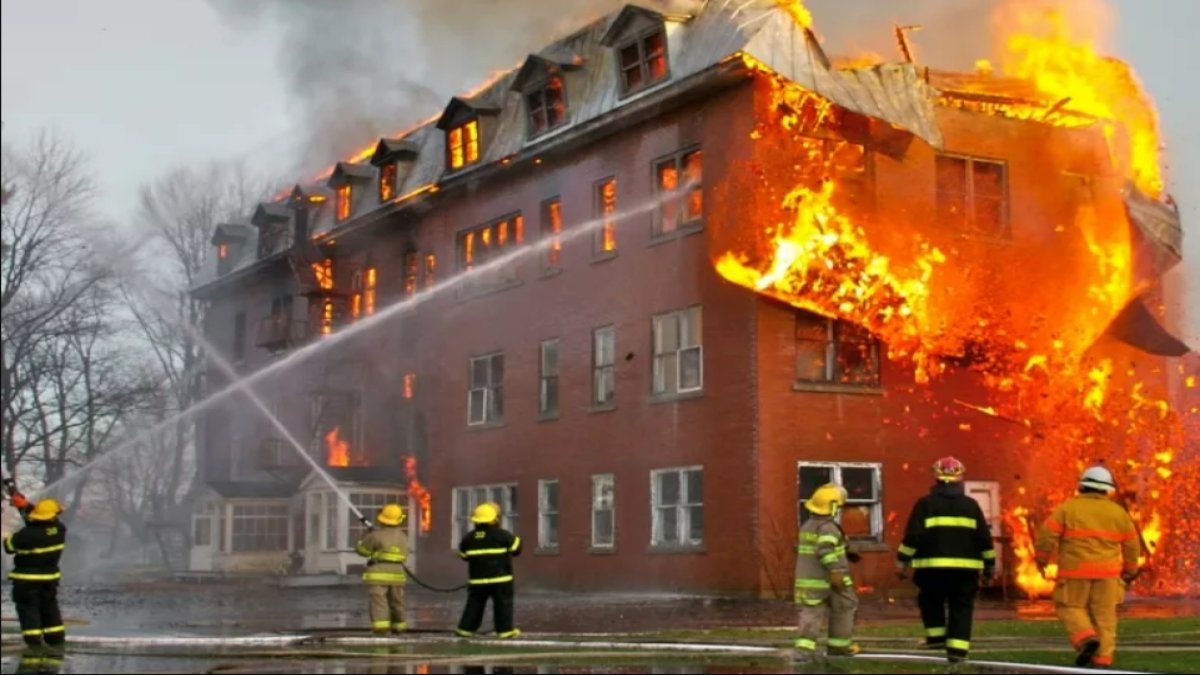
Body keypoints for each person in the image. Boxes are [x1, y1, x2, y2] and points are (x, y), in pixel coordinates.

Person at [1035, 465, 1140, 668]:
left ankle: (1085, 639)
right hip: (1108, 576)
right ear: (1107, 489)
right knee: (1105, 617)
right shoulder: (1118, 513)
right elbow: (1132, 545)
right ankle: (1102, 660)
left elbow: (1046, 536)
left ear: (1082, 486)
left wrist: (1041, 559)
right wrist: (1130, 570)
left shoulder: (1068, 509)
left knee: (1069, 606)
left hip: (1074, 573)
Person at [896, 457, 995, 665]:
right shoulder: (971, 505)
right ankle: (958, 652)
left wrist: (902, 561)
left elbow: (913, 536)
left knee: (931, 601)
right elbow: (984, 539)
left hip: (931, 568)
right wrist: (989, 567)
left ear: (936, 476)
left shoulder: (925, 504)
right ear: (960, 477)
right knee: (962, 607)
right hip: (965, 570)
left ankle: (936, 638)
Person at [794, 483, 860, 660]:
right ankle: (838, 647)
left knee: (811, 613)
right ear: (833, 506)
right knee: (844, 607)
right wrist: (836, 570)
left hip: (810, 581)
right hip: (832, 579)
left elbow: (827, 543)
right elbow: (825, 549)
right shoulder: (828, 527)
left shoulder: (808, 525)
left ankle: (804, 650)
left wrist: (847, 549)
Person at [3, 489, 68, 651]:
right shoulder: (59, 529)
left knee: (28, 609)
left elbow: (8, 547)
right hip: (49, 579)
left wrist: (5, 533)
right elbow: (39, 522)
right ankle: (55, 639)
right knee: (49, 607)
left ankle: (34, 644)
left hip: (26, 581)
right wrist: (24, 505)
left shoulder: (26, 534)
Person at [455, 502, 521, 639]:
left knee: (474, 605)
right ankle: (505, 631)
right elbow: (516, 549)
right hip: (501, 580)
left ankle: (465, 629)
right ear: (494, 519)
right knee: (503, 604)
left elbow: (464, 556)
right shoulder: (502, 535)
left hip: (477, 581)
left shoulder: (468, 538)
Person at [355, 503, 410, 635]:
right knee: (397, 601)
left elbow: (363, 551)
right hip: (398, 574)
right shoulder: (403, 536)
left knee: (379, 601)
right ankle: (399, 627)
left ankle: (381, 629)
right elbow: (404, 555)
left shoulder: (375, 535)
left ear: (382, 519)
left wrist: (362, 539)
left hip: (378, 573)